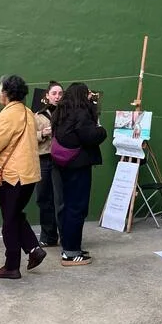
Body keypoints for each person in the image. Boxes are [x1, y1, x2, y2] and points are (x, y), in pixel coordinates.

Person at [0, 74, 46, 279]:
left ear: (6, 93)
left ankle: (12, 266)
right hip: (29, 174)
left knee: (9, 221)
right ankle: (34, 249)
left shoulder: (7, 115)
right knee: (15, 215)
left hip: (12, 176)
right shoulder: (27, 112)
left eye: (0, 89)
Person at [52, 82, 107, 266]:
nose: (90, 96)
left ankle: (70, 246)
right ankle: (71, 253)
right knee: (77, 207)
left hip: (63, 164)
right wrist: (102, 130)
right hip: (78, 165)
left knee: (68, 206)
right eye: (88, 93)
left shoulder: (61, 112)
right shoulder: (81, 112)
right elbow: (89, 136)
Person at [35, 80, 64, 247]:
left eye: (60, 93)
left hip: (62, 160)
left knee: (61, 199)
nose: (57, 97)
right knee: (43, 198)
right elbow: (29, 138)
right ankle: (48, 236)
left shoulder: (67, 114)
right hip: (44, 159)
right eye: (54, 93)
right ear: (47, 95)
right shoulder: (38, 116)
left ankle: (65, 236)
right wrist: (42, 134)